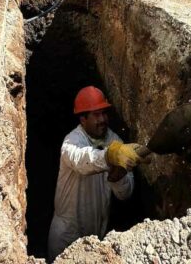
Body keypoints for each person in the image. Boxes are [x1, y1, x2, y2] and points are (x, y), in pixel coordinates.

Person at [47, 86, 148, 260]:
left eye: (104, 113)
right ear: (83, 119)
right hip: (66, 234)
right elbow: (82, 161)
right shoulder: (72, 142)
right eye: (96, 115)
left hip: (96, 233)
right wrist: (109, 156)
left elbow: (125, 194)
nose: (102, 119)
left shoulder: (116, 142)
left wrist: (119, 177)